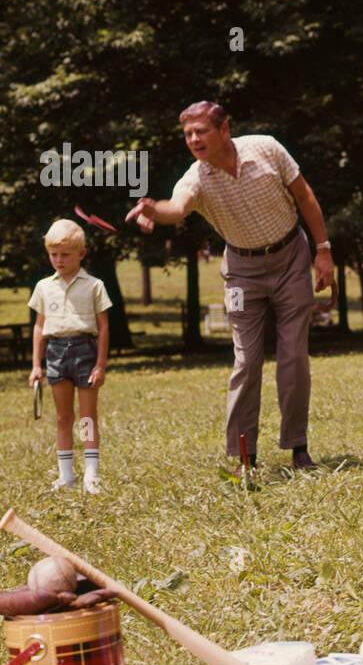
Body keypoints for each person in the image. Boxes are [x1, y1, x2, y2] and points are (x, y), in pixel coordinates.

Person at [125, 101, 334, 469]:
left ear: (224, 130)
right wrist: (154, 211)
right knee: (246, 360)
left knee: (293, 356)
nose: (194, 139)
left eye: (201, 131)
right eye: (188, 134)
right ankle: (244, 456)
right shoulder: (197, 176)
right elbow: (177, 207)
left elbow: (305, 197)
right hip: (242, 271)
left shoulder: (267, 149)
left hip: (291, 259)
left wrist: (323, 250)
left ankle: (298, 447)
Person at [28, 219, 112, 492]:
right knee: (64, 418)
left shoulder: (94, 285)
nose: (59, 260)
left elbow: (103, 327)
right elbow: (39, 326)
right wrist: (36, 365)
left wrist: (100, 365)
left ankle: (91, 475)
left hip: (85, 351)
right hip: (56, 354)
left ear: (81, 254)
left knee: (88, 417)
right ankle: (66, 476)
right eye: (54, 254)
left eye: (65, 254)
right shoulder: (43, 287)